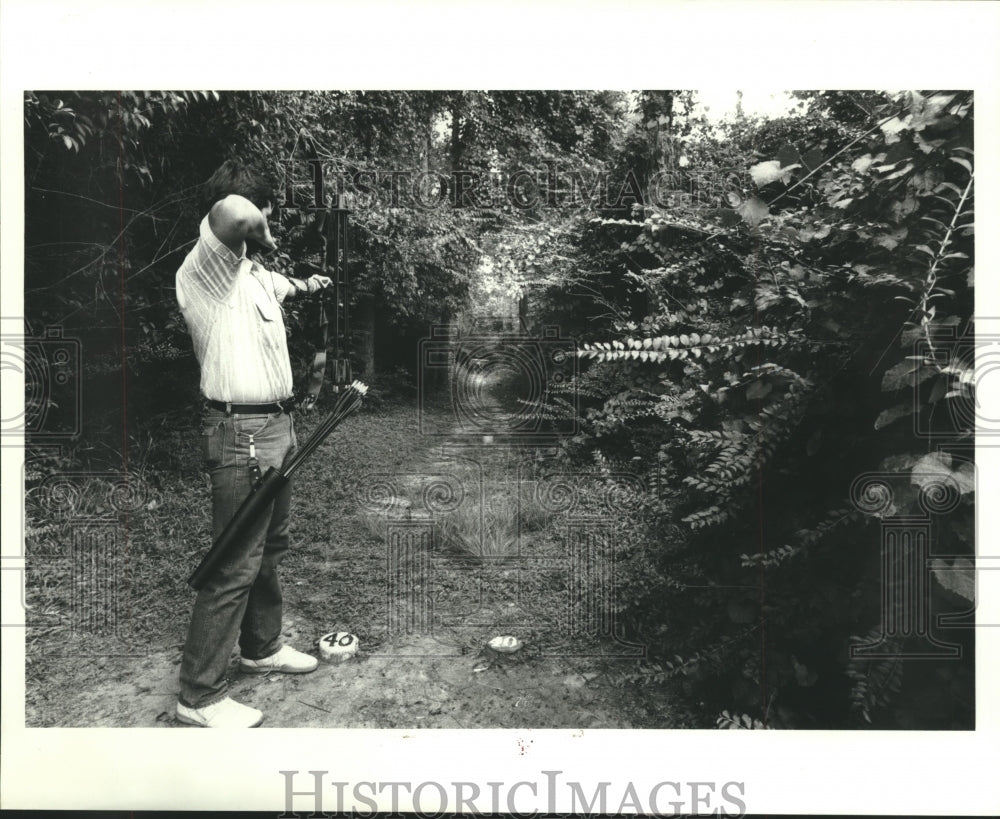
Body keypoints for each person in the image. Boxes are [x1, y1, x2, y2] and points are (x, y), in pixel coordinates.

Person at [174, 159, 331, 728]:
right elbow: (236, 212)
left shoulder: (257, 278)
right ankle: (199, 696)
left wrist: (309, 283)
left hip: (277, 428)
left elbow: (287, 285)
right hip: (238, 432)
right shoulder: (207, 269)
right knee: (235, 558)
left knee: (270, 547)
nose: (265, 223)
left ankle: (260, 646)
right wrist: (262, 222)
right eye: (267, 212)